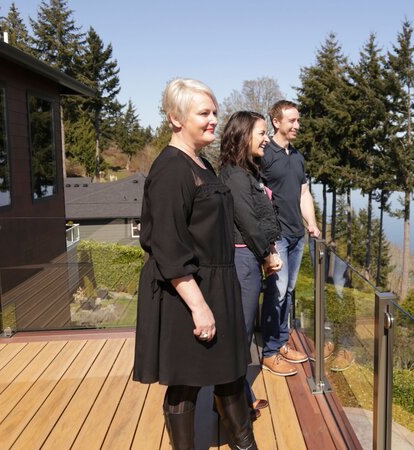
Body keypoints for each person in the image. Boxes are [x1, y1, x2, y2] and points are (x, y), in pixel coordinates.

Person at [133, 79, 256, 450]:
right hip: (187, 291)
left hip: (216, 284)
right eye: (204, 113)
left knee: (231, 372)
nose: (214, 120)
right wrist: (199, 306)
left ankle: (244, 445)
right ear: (175, 118)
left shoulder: (198, 162)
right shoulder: (171, 169)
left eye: (214, 112)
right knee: (185, 382)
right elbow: (168, 247)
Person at [218, 111, 283, 418]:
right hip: (243, 260)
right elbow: (248, 222)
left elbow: (261, 217)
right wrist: (268, 254)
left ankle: (238, 396)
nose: (266, 139)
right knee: (240, 333)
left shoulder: (246, 173)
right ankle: (232, 403)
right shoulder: (234, 176)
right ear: (244, 136)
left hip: (249, 258)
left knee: (242, 332)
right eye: (261, 133)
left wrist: (268, 250)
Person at [260, 100, 321, 376]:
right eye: (292, 121)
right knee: (277, 290)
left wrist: (312, 224)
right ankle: (270, 350)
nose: (297, 125)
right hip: (277, 237)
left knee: (289, 290)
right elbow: (257, 196)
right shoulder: (264, 154)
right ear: (276, 121)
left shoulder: (297, 156)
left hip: (298, 236)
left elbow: (303, 194)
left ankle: (282, 342)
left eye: (298, 121)